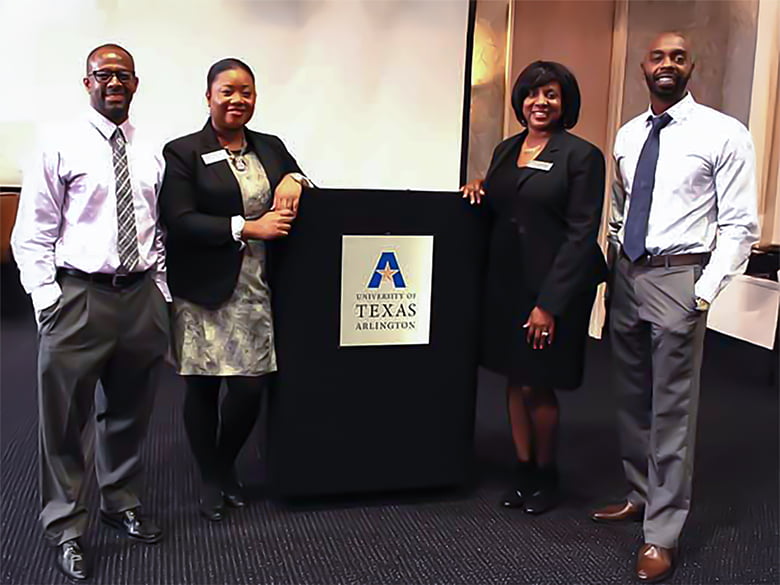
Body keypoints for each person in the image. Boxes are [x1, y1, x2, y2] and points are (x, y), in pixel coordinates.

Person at [591, 32, 759, 582]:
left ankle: (661, 534)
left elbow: (739, 225)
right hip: (629, 273)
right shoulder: (628, 134)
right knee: (630, 396)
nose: (667, 64)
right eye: (658, 56)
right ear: (645, 66)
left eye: (678, 57)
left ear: (692, 66)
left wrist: (704, 291)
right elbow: (620, 207)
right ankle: (639, 494)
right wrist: (615, 262)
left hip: (679, 277)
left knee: (671, 411)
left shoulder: (722, 133)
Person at [10, 44, 168, 580]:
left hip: (140, 297)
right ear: (87, 83)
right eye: (104, 74)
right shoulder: (59, 144)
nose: (114, 82)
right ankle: (66, 528)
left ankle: (119, 500)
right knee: (65, 420)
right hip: (78, 296)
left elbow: (157, 231)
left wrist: (161, 293)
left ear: (136, 83)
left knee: (129, 411)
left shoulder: (149, 154)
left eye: (123, 74)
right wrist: (47, 301)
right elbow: (32, 231)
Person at [159, 58, 310, 522]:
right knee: (203, 387)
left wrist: (293, 179)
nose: (237, 100)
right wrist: (246, 227)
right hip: (203, 287)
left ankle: (224, 463)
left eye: (246, 91)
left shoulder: (270, 147)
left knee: (249, 387)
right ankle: (211, 477)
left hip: (256, 289)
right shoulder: (183, 152)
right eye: (227, 91)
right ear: (208, 97)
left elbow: (305, 183)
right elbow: (180, 220)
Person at [461, 61, 607, 514]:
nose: (539, 103)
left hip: (553, 286)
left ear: (565, 104)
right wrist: (479, 186)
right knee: (513, 376)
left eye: (551, 95)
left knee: (536, 384)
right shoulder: (507, 149)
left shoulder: (581, 156)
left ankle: (547, 476)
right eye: (531, 94)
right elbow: (508, 199)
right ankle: (522, 469)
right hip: (507, 281)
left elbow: (582, 234)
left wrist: (549, 305)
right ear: (520, 101)